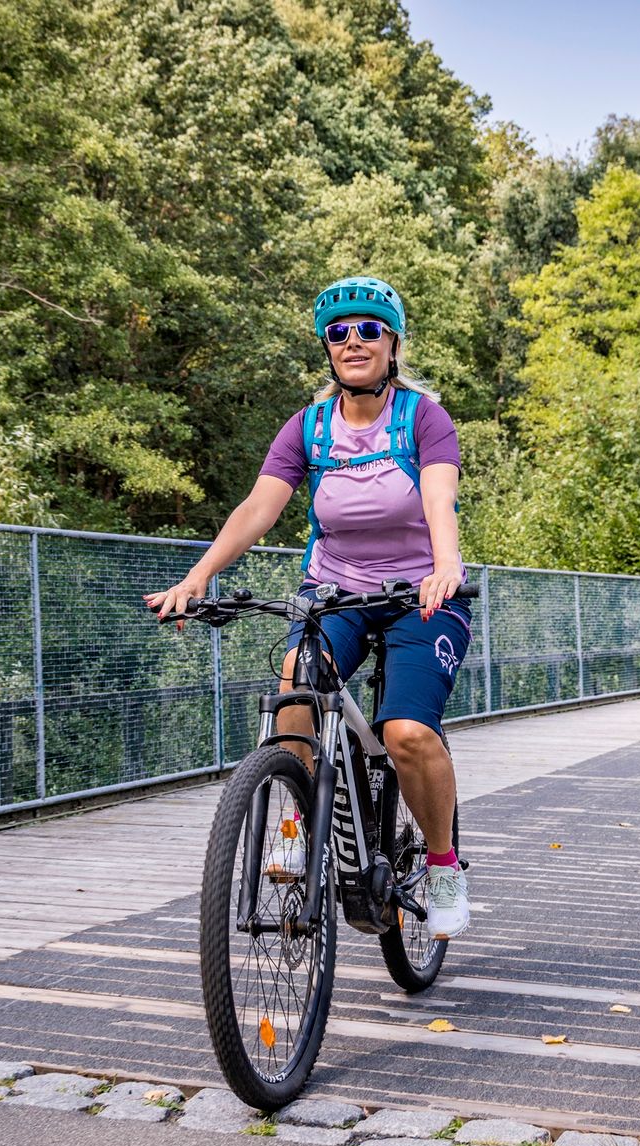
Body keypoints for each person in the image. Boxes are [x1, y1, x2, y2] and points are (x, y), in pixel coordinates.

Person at [145, 276, 471, 938]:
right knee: (296, 684)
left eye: (369, 331)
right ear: (327, 348)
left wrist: (446, 567)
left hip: (420, 598)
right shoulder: (310, 428)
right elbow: (258, 510)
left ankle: (443, 867)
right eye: (339, 333)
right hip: (336, 593)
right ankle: (295, 824)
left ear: (393, 344)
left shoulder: (421, 418)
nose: (354, 343)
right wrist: (198, 576)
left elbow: (438, 499)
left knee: (407, 732)